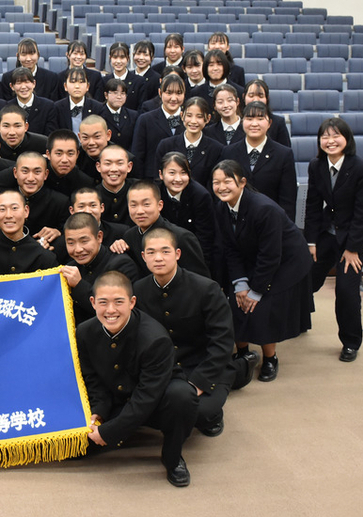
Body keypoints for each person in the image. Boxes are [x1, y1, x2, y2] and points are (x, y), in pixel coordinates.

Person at [76, 271, 199, 487]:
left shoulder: (154, 338)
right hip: (116, 400)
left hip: (155, 402)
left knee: (182, 396)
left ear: (132, 302)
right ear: (93, 302)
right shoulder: (84, 333)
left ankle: (173, 458)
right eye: (103, 302)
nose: (111, 310)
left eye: (119, 302)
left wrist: (110, 431)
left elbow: (147, 395)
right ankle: (123, 430)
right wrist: (99, 413)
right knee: (75, 451)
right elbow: (93, 380)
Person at [134, 228, 258, 438]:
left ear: (177, 254)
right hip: (166, 367)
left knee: (200, 413)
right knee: (152, 411)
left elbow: (222, 342)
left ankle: (239, 372)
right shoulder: (137, 290)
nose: (158, 258)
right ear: (143, 256)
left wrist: (200, 382)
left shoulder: (206, 289)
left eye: (165, 251)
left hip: (205, 364)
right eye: (152, 252)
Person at [211, 160, 314, 382]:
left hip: (287, 260)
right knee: (234, 301)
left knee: (263, 306)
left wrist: (255, 291)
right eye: (216, 182)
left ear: (242, 182)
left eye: (227, 181)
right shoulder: (221, 207)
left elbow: (271, 256)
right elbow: (230, 248)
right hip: (253, 256)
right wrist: (240, 285)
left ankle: (270, 358)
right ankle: (242, 353)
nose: (221, 187)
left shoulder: (264, 209)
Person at [304, 118, 363, 362]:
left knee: (346, 289)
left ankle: (350, 342)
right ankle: (299, 320)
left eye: (336, 135)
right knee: (305, 275)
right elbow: (313, 205)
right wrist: (311, 242)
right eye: (325, 136)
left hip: (356, 234)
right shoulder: (316, 165)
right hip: (329, 230)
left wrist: (353, 249)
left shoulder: (361, 167)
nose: (330, 140)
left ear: (347, 139)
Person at [110, 180, 210, 279]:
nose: (139, 211)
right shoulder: (130, 236)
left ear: (160, 205)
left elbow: (201, 280)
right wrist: (118, 247)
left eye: (146, 204)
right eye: (133, 205)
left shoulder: (181, 237)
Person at [220, 101, 297, 220]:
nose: (254, 124)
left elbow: (288, 200)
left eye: (260, 118)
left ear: (269, 123)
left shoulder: (283, 154)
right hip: (236, 220)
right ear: (242, 122)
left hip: (271, 220)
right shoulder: (228, 152)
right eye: (249, 118)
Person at [60, 213, 138, 324]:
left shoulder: (121, 264)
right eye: (71, 243)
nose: (78, 249)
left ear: (99, 237)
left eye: (84, 241)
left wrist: (79, 285)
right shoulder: (70, 267)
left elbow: (115, 311)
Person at [154, 152, 216, 269]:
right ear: (161, 174)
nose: (178, 179)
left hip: (191, 253)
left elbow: (205, 237)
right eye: (172, 173)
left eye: (183, 173)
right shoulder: (155, 192)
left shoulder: (200, 196)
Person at [155, 97, 224, 188]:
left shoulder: (216, 149)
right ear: (182, 115)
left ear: (207, 118)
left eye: (199, 116)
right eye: (189, 115)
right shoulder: (166, 145)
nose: (193, 121)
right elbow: (157, 178)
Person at [131, 74, 186, 179]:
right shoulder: (145, 119)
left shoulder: (189, 121)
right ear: (160, 93)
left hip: (181, 180)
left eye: (179, 93)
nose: (174, 98)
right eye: (169, 93)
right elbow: (138, 155)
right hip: (152, 179)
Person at [5, 66, 58, 135]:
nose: (23, 87)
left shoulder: (48, 106)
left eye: (27, 82)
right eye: (19, 83)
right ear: (12, 86)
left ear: (34, 83)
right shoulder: (7, 107)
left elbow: (51, 134)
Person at [44, 129, 96, 198]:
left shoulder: (85, 183)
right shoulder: (38, 174)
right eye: (59, 153)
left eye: (70, 154)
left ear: (77, 155)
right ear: (48, 154)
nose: (64, 160)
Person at [242, 79, 292, 148]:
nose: (256, 100)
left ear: (267, 98)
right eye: (251, 96)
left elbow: (285, 150)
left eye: (261, 96)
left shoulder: (278, 122)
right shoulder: (237, 120)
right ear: (244, 97)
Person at [94, 144, 134, 227]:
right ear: (98, 167)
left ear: (129, 166)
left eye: (120, 163)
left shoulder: (139, 190)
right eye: (108, 164)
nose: (114, 169)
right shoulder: (93, 195)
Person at [55, 67, 104, 132]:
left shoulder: (98, 108)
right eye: (73, 82)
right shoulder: (57, 107)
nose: (77, 86)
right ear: (65, 86)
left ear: (87, 86)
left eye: (81, 82)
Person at [102, 42, 146, 111]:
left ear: (128, 58)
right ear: (110, 58)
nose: (118, 61)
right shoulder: (104, 81)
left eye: (122, 57)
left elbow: (141, 107)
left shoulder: (139, 81)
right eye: (115, 57)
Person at [99, 78, 138, 152]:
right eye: (115, 93)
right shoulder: (98, 113)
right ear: (106, 95)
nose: (119, 97)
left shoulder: (133, 115)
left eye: (122, 93)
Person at [76, 115, 114, 182]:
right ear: (79, 137)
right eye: (85, 137)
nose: (91, 143)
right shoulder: (75, 159)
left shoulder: (124, 157)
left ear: (108, 135)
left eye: (97, 136)